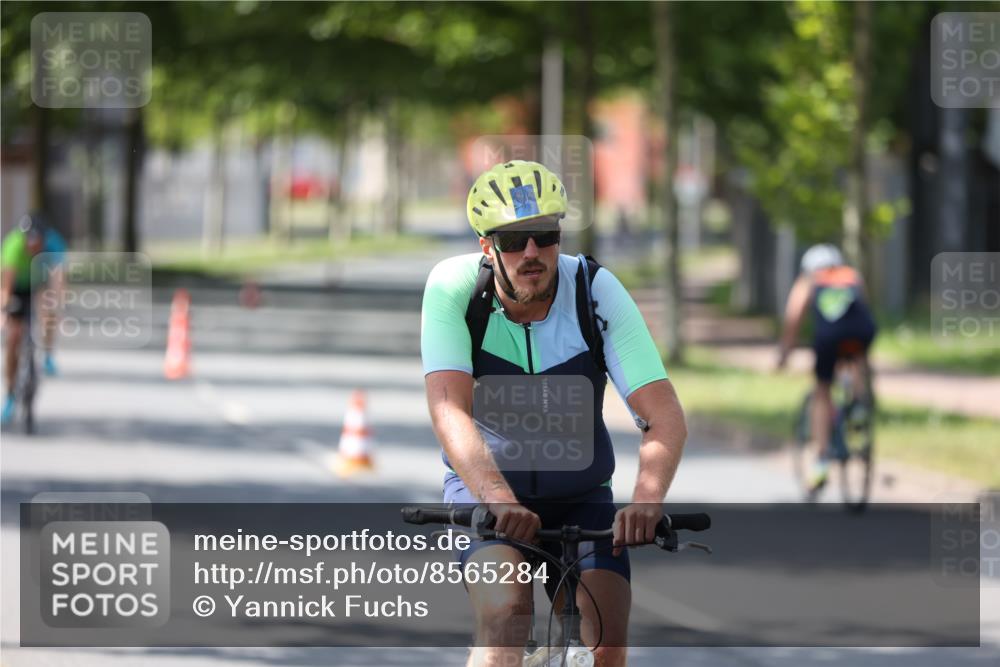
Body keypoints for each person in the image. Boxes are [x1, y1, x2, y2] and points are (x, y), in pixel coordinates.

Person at [421, 160, 687, 666]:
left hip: (582, 497)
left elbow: (664, 415)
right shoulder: (454, 289)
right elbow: (448, 408)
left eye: (544, 235)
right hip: (489, 496)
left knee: (605, 637)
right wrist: (498, 499)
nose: (531, 253)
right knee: (506, 613)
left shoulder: (595, 291)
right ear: (486, 246)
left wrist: (647, 500)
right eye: (512, 241)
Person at [776, 244, 877, 493]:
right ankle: (859, 406)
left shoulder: (809, 280)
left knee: (822, 390)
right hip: (862, 331)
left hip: (829, 336)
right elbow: (862, 306)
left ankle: (821, 461)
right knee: (856, 358)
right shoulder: (851, 275)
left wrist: (785, 353)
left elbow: (794, 318)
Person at [1, 211, 67, 424]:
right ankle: (10, 395)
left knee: (49, 309)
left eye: (37, 242)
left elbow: (58, 280)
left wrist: (57, 304)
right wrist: (4, 310)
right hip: (18, 286)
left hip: (40, 284)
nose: (33, 246)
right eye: (29, 242)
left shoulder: (54, 244)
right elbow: (6, 286)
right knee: (13, 338)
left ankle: (47, 353)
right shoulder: (13, 246)